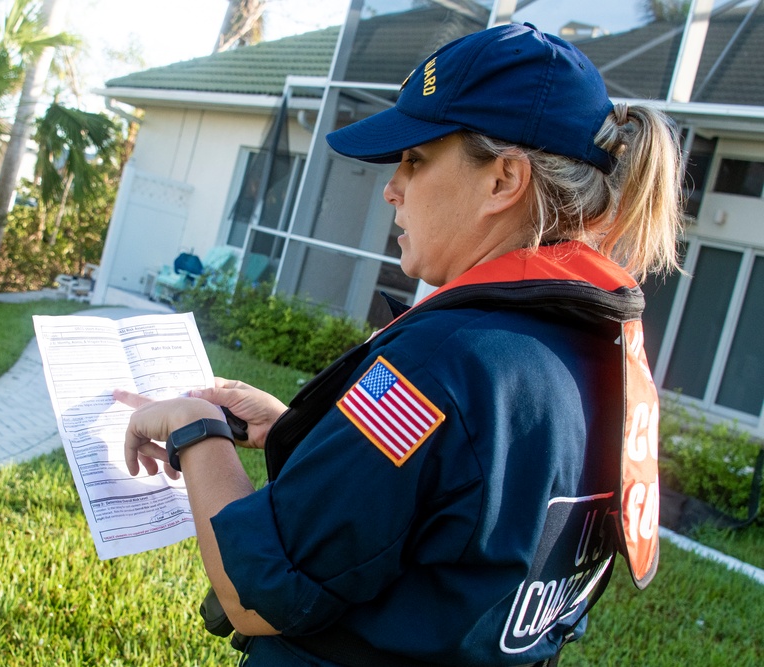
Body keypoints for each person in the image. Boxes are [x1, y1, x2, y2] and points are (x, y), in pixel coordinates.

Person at [114, 22, 682, 667]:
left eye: (416, 160)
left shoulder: (438, 362)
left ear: (504, 180)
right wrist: (303, 431)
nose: (392, 186)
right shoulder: (597, 346)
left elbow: (263, 595)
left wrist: (195, 430)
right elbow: (462, 498)